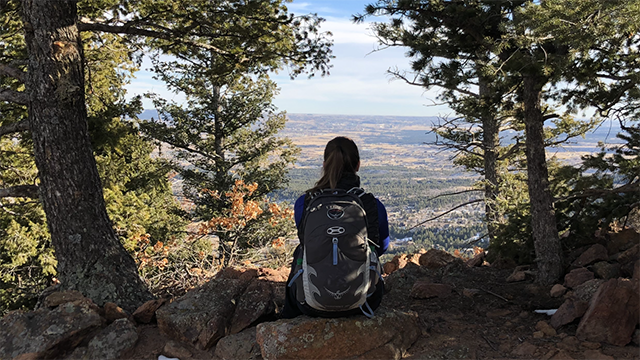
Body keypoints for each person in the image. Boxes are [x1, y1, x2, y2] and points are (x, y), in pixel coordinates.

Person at [281, 136, 390, 318]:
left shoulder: (305, 202)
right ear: (358, 165)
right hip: (364, 302)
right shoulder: (371, 204)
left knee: (300, 251)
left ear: (324, 164)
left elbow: (305, 241)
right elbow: (381, 247)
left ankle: (289, 314)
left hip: (309, 304)